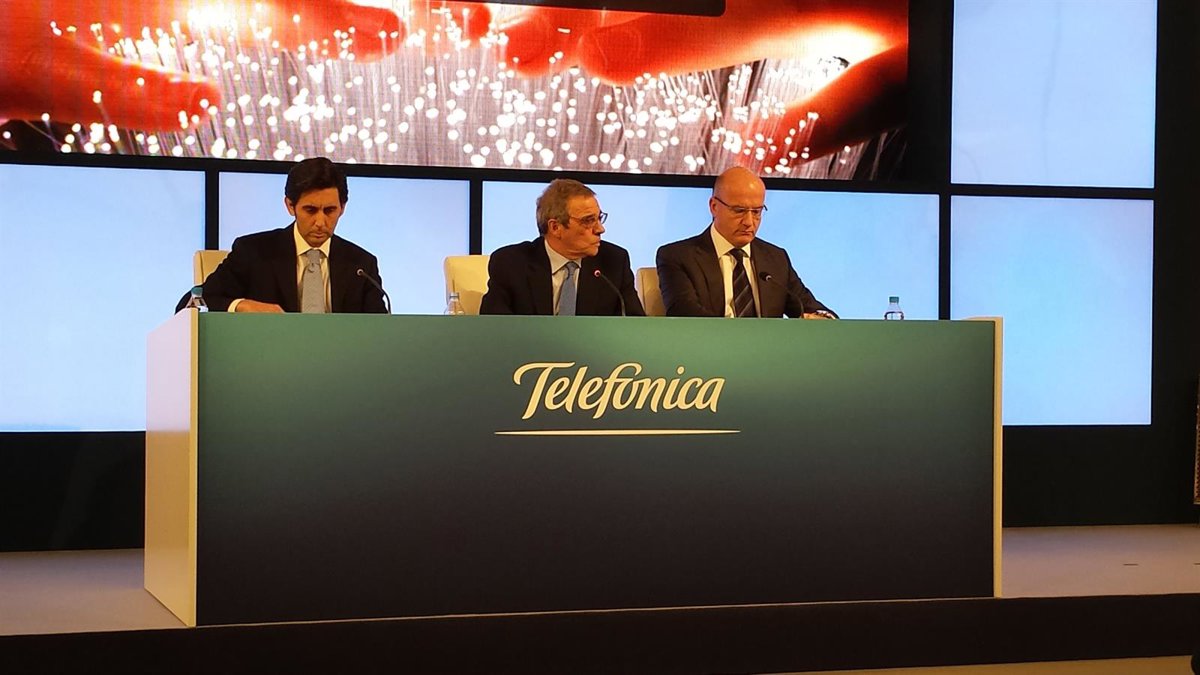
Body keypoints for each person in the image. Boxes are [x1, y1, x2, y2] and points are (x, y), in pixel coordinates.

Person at [187, 157, 387, 313]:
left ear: (342, 208)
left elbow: (381, 331)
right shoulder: (253, 253)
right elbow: (191, 303)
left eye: (329, 210)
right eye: (310, 210)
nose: (320, 222)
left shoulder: (362, 265)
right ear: (290, 206)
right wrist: (241, 305)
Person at [655, 166, 834, 319]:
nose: (749, 222)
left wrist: (821, 319)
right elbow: (684, 312)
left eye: (756, 212)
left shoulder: (775, 259)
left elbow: (810, 307)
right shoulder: (678, 256)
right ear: (714, 206)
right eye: (739, 210)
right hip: (709, 346)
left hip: (769, 349)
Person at [480, 178, 644, 316]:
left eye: (599, 218)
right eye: (588, 221)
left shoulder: (614, 261)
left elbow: (635, 326)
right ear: (555, 227)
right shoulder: (510, 263)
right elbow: (493, 328)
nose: (600, 229)